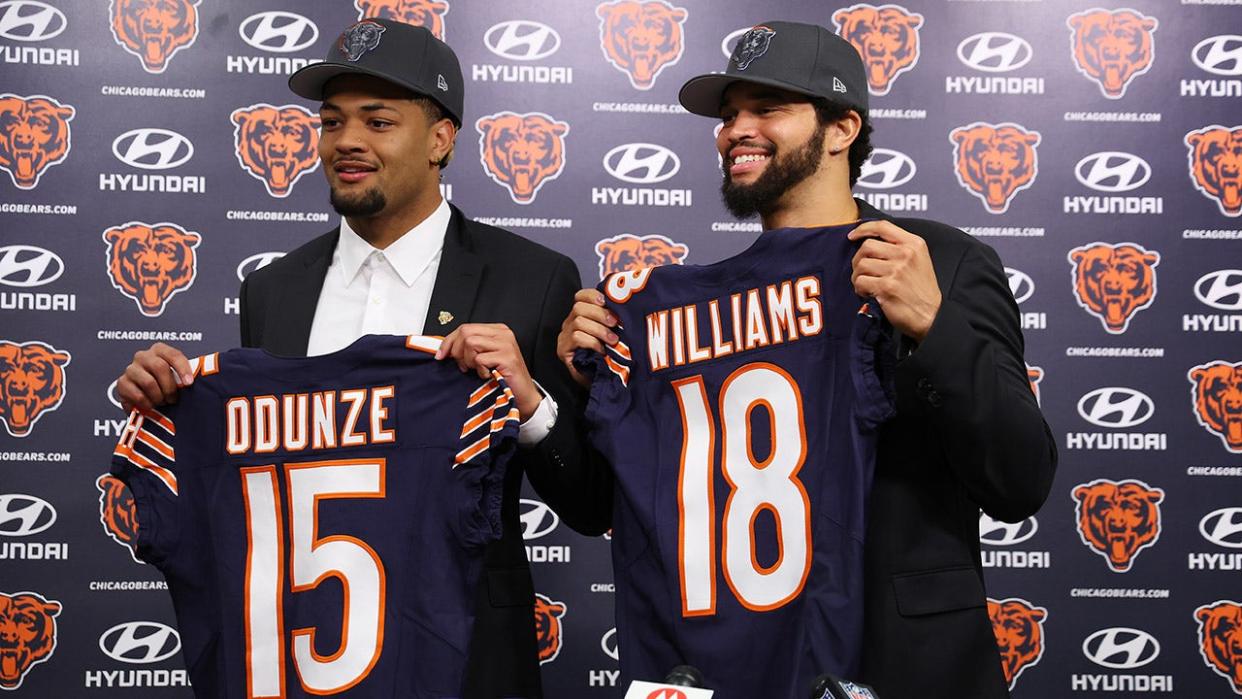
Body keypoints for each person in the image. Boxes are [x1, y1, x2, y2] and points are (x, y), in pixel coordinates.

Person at [557, 21, 1057, 698]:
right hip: (734, 664)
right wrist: (571, 383)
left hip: (902, 663)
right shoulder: (676, 307)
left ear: (842, 129)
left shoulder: (940, 260)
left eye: (768, 109)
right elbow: (606, 499)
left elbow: (1021, 476)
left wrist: (935, 328)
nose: (736, 130)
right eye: (730, 114)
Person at [115, 19, 610, 699]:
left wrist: (529, 402)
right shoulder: (272, 288)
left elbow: (589, 502)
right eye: (331, 122)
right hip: (307, 656)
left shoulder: (532, 277)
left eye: (377, 121)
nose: (345, 141)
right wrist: (169, 405)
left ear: (441, 139)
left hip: (469, 664)